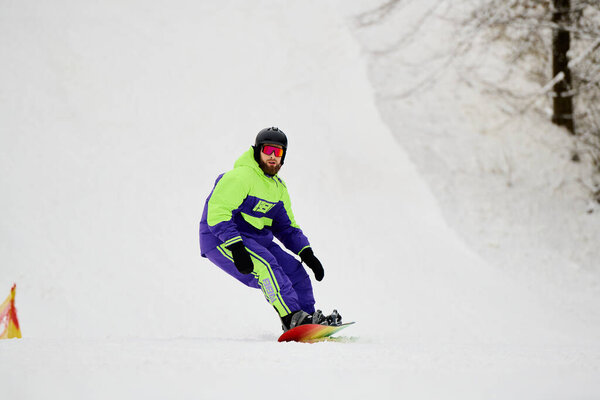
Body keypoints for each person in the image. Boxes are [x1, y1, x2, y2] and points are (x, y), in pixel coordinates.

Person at [199, 127, 341, 331]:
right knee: (266, 266)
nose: (273, 157)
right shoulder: (240, 177)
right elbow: (218, 213)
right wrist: (237, 248)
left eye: (279, 152)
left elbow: (287, 227)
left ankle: (306, 319)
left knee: (295, 271)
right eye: (268, 150)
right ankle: (291, 317)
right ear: (258, 151)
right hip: (221, 239)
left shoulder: (278, 189)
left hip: (256, 240)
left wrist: (306, 253)